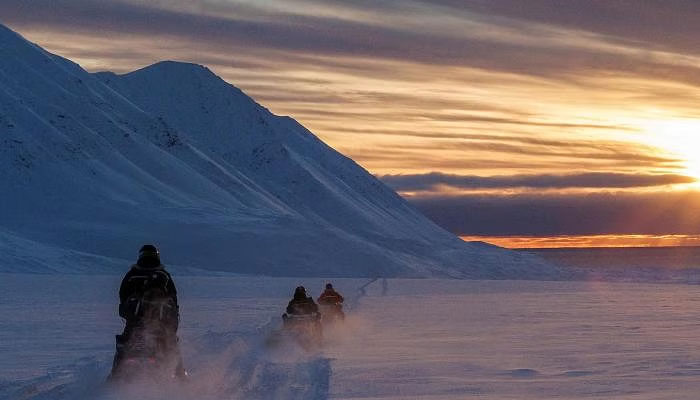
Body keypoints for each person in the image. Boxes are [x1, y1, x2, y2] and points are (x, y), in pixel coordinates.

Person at [109, 244, 185, 380]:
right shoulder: (163, 275)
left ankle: (114, 377)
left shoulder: (133, 274)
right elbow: (173, 299)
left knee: (124, 344)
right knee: (172, 345)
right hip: (159, 323)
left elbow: (122, 295)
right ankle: (181, 378)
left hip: (138, 321)